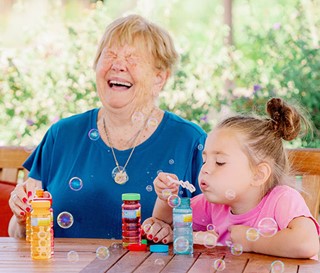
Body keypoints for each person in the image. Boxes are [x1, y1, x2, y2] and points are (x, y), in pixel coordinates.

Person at [8, 14, 206, 239]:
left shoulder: (189, 141)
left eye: (133, 58)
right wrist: (22, 218)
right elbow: (18, 234)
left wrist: (175, 233)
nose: (118, 65)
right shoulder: (62, 135)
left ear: (159, 78)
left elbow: (214, 230)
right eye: (110, 54)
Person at [144, 97, 320, 259]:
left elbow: (307, 243)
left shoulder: (282, 199)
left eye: (220, 162)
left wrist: (251, 241)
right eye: (205, 160)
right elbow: (169, 223)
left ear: (259, 174)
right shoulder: (212, 204)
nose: (205, 169)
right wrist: (166, 197)